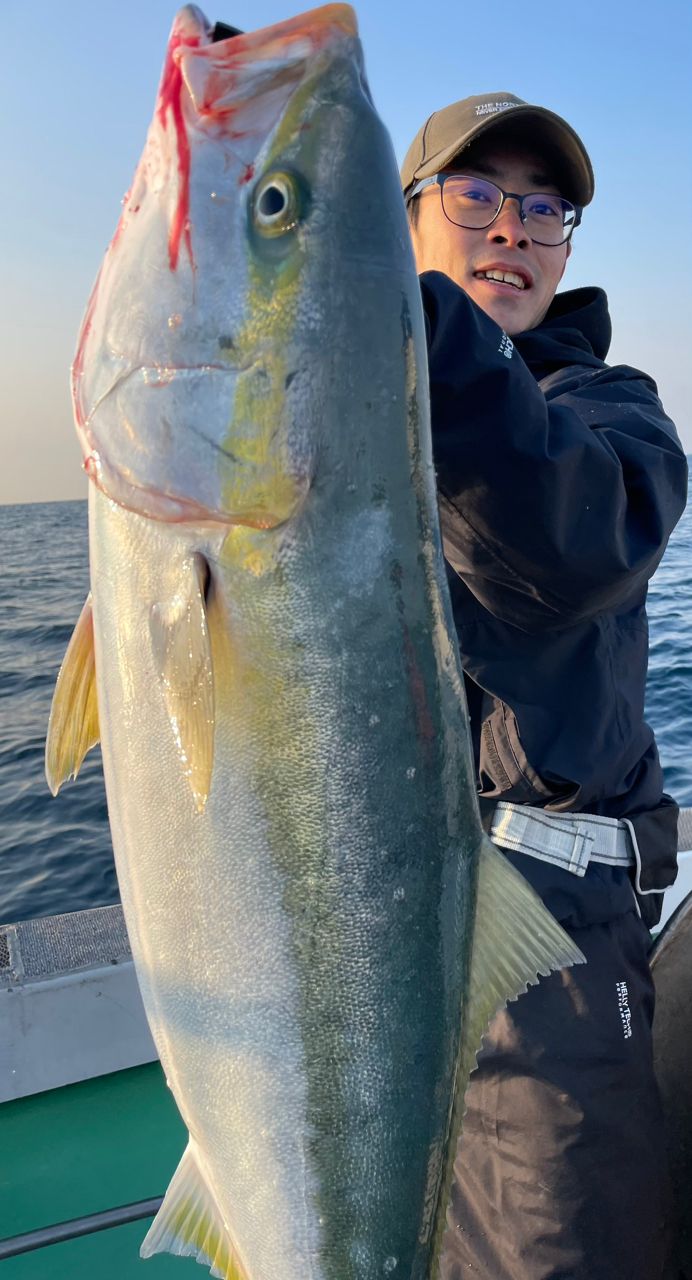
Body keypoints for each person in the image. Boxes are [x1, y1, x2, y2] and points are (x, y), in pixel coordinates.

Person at [400, 93, 689, 1280]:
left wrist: (408, 325)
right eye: (474, 198)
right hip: (377, 922)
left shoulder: (609, 414)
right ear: (406, 221)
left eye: (541, 208)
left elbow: (563, 540)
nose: (508, 231)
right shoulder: (351, 429)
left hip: (551, 960)